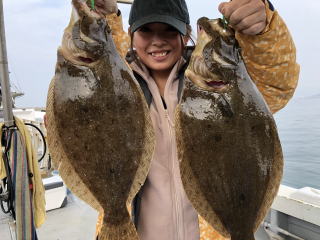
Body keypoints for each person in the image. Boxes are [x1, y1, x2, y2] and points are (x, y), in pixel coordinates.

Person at [62, 0, 299, 239]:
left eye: (169, 30)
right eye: (146, 30)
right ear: (132, 35)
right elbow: (101, 55)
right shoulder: (118, 86)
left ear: (186, 35)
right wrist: (104, 21)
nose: (157, 40)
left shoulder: (227, 85)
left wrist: (262, 31)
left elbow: (275, 82)